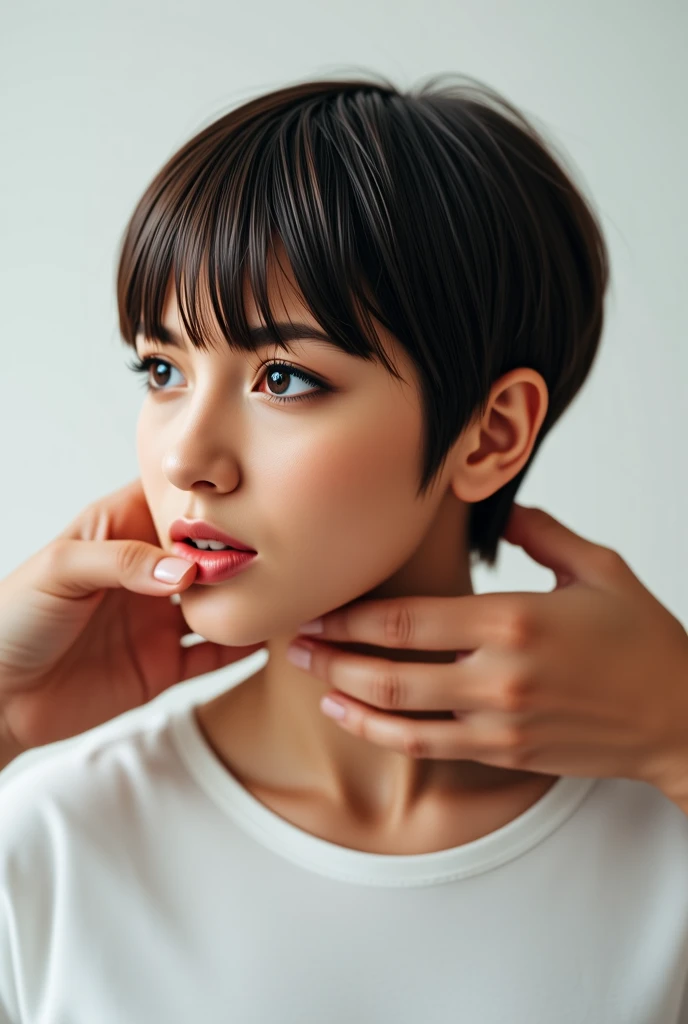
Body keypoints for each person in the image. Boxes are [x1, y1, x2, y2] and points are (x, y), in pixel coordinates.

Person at [1, 72, 687, 1023]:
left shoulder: (665, 840)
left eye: (282, 377)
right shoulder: (53, 843)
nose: (187, 458)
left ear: (489, 434)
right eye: (163, 369)